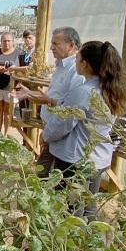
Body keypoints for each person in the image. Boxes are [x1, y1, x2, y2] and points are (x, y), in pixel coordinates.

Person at [40, 41, 126, 221]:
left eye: (77, 58)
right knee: (88, 207)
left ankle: (71, 248)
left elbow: (62, 123)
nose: (75, 62)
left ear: (85, 63)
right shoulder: (110, 89)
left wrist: (45, 135)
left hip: (75, 159)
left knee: (71, 212)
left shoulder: (83, 91)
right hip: (97, 158)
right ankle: (87, 246)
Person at [25, 27, 85, 177]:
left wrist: (49, 101)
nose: (51, 47)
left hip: (60, 133)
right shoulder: (61, 65)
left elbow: (71, 110)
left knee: (45, 179)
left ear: (71, 45)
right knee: (42, 177)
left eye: (56, 43)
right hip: (52, 131)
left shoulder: (77, 70)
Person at [0, 32, 28, 135]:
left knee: (8, 111)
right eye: (4, 41)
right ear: (1, 42)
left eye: (9, 41)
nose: (6, 43)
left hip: (11, 87)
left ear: (13, 42)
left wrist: (15, 70)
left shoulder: (19, 54)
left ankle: (5, 136)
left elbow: (25, 69)